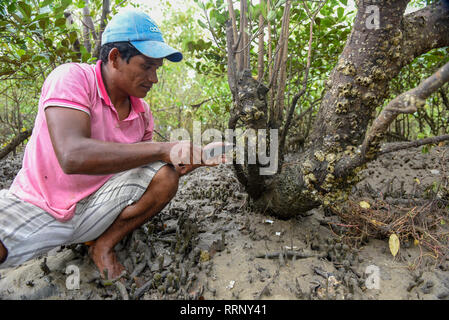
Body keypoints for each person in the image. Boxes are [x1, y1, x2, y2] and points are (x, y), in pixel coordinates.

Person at [0, 9, 223, 279]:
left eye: (157, 69)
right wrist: (164, 149)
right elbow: (72, 156)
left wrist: (187, 158)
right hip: (37, 203)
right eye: (146, 66)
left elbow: (142, 169)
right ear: (115, 58)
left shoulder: (142, 113)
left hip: (99, 210)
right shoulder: (72, 78)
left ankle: (103, 244)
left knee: (165, 176)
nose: (153, 78)